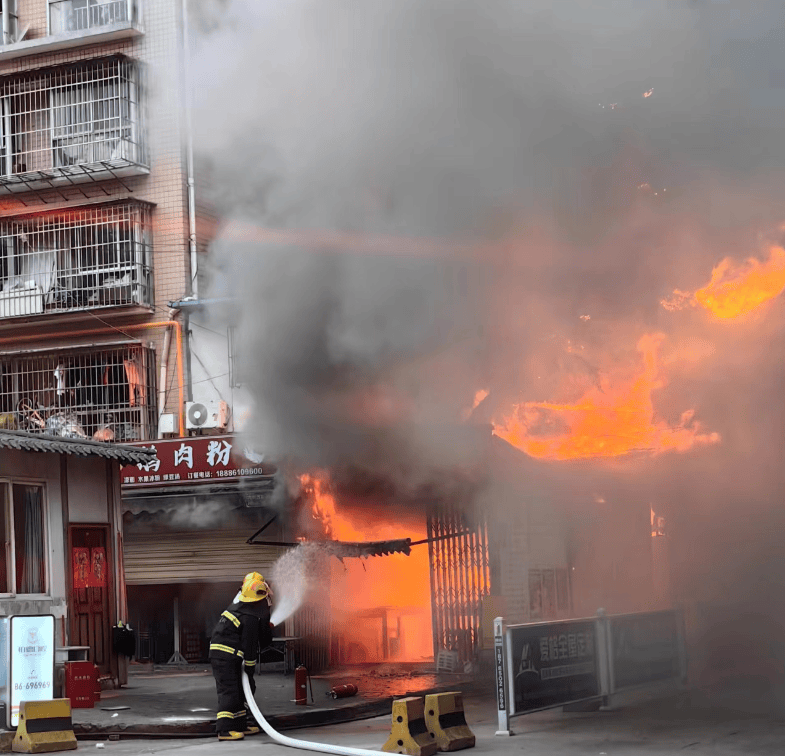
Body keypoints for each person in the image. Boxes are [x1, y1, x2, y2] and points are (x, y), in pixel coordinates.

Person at [209, 571, 274, 741]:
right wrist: (251, 667)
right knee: (229, 690)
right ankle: (224, 730)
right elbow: (249, 645)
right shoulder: (249, 617)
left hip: (229, 656)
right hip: (225, 657)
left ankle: (240, 724)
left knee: (241, 689)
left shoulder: (240, 609)